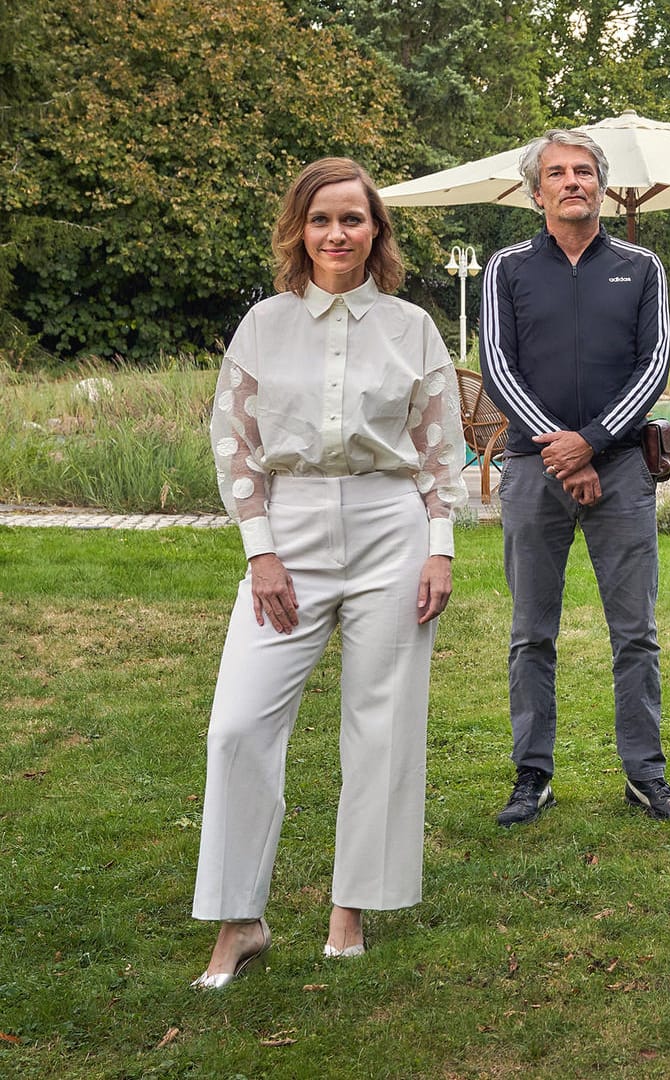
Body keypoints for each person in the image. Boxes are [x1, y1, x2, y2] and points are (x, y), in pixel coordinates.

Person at [191, 157, 467, 987]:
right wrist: (260, 550)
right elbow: (233, 444)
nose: (338, 234)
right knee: (238, 726)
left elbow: (439, 446)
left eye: (353, 219)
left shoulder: (412, 326)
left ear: (376, 231)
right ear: (298, 231)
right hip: (292, 531)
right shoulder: (265, 325)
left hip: (392, 527)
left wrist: (441, 547)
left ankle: (352, 904)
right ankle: (240, 919)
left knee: (381, 725)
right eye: (321, 220)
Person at [482, 129, 670, 826]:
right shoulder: (506, 268)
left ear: (599, 185)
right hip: (534, 474)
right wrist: (560, 453)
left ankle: (645, 775)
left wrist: (594, 443)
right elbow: (496, 368)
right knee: (529, 632)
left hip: (623, 471)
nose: (573, 181)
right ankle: (531, 775)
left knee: (635, 631)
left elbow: (655, 363)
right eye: (558, 173)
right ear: (534, 190)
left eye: (584, 172)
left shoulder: (641, 265)